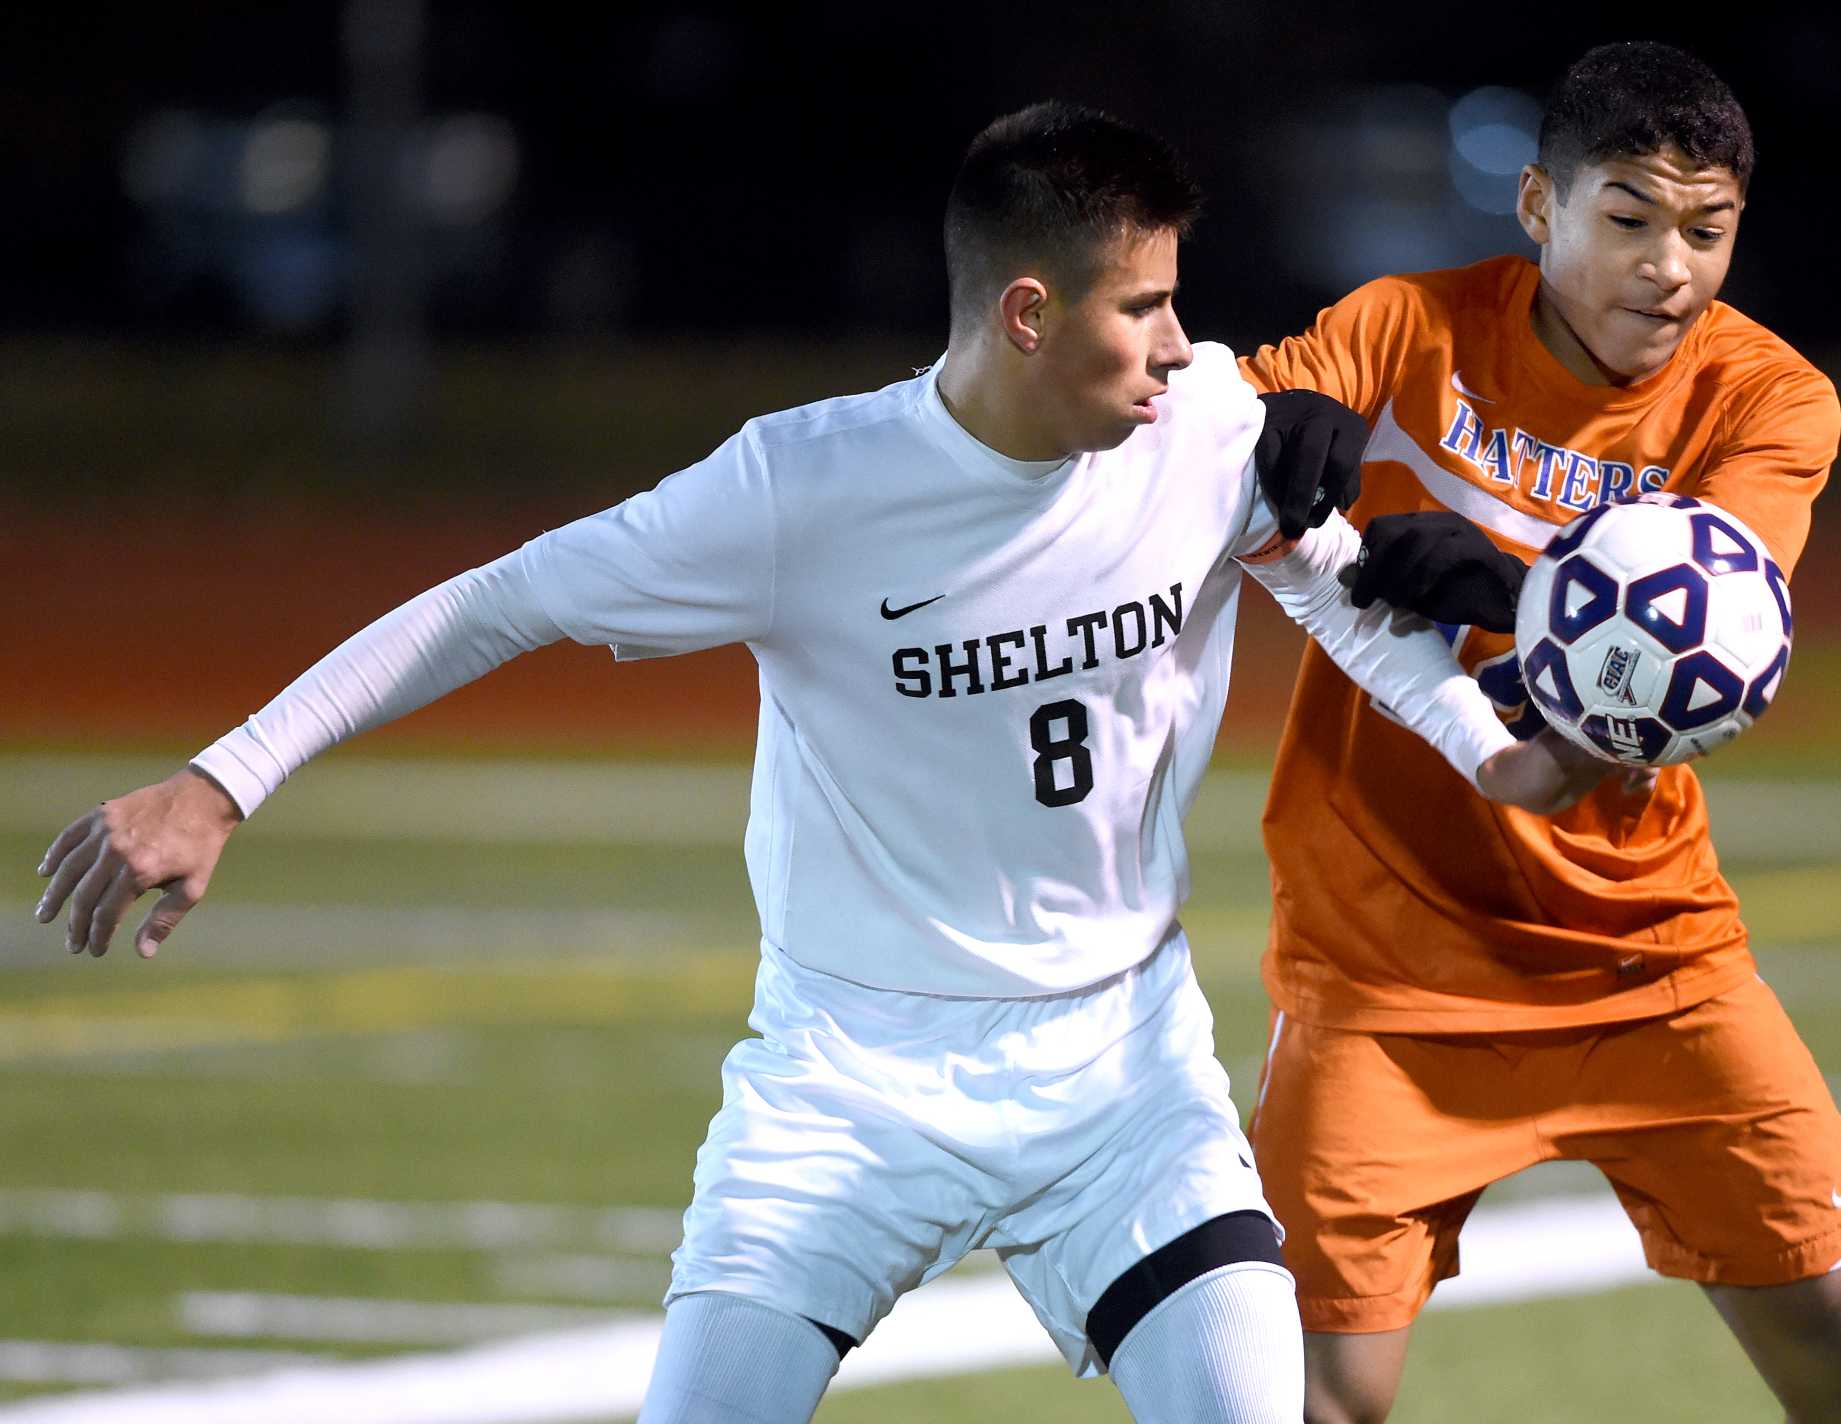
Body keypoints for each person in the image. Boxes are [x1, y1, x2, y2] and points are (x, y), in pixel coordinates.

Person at [33, 102, 1598, 1424]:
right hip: (851, 1083)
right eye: (1145, 309)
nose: (1180, 345)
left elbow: (1348, 600)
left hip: (1123, 1079)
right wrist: (225, 776)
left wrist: (1497, 748)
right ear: (1028, 313)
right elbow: (500, 600)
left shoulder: (1203, 430)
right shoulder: (800, 489)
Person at [1238, 42, 1841, 1424]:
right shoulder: (1406, 325)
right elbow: (1216, 441)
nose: (1669, 266)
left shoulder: (1771, 401)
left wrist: (1513, 593)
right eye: (1628, 218)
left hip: (1648, 960)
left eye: (1706, 229)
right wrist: (1256, 422)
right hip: (1383, 969)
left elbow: (1708, 655)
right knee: (1311, 1406)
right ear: (1539, 208)